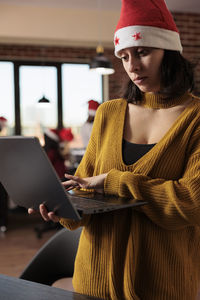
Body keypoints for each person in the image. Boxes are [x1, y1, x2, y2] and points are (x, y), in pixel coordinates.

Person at [29, 0, 200, 299]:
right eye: (124, 56)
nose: (132, 66)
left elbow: (191, 203)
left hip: (162, 285)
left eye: (143, 52)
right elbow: (84, 187)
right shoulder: (109, 113)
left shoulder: (195, 119)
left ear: (169, 51)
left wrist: (114, 180)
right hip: (92, 283)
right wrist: (63, 207)